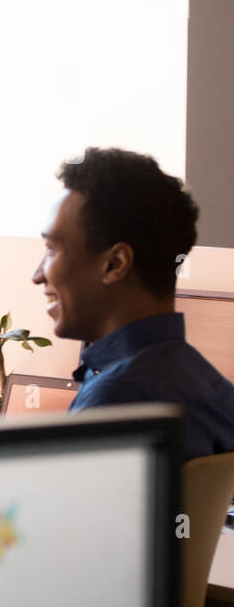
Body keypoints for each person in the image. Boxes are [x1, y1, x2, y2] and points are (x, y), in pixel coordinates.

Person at [33, 147, 234, 460]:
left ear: (115, 264)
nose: (37, 275)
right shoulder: (212, 387)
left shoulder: (115, 401)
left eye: (51, 249)